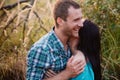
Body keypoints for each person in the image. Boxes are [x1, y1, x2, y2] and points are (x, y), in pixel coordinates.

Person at [26, 0, 86, 80]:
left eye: (80, 19)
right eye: (76, 20)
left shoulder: (74, 39)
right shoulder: (42, 49)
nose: (81, 24)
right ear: (60, 21)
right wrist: (66, 74)